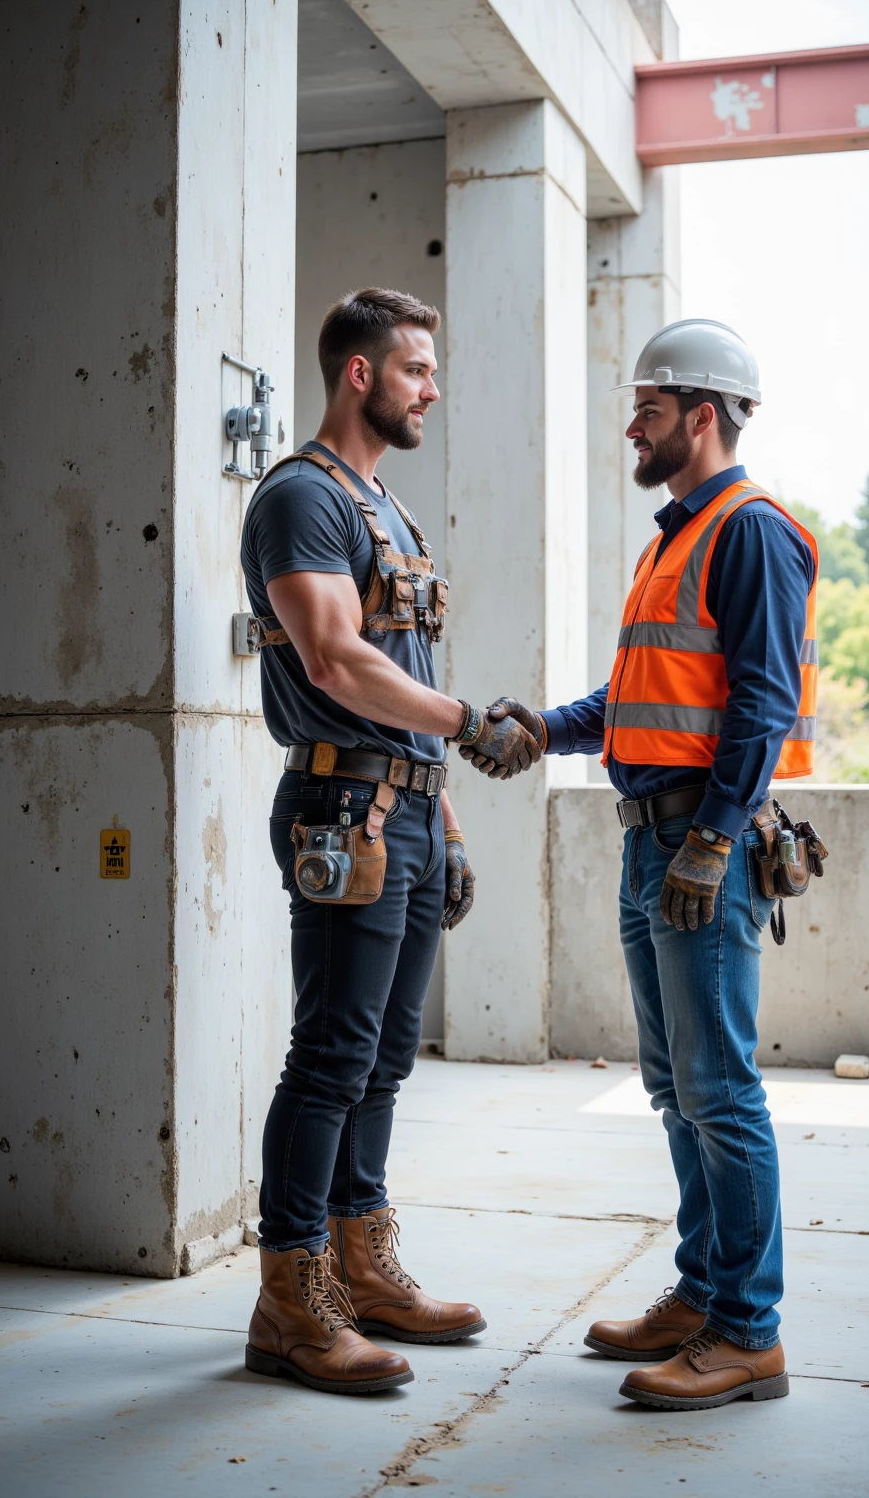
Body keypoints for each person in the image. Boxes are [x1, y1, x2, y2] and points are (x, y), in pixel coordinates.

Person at [463, 319, 818, 1412]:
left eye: (648, 410)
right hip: (650, 841)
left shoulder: (751, 532)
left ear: (701, 416)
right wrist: (545, 728)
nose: (633, 427)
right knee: (675, 1090)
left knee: (720, 1091)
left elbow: (762, 704)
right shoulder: (675, 539)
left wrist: (711, 841)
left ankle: (747, 1332)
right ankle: (704, 1292)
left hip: (700, 845)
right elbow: (637, 701)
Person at [239, 287, 540, 1395]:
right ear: (359, 374)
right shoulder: (300, 498)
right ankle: (289, 1299)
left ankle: (360, 1267)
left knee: (383, 1056)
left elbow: (399, 671)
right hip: (340, 809)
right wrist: (465, 724)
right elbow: (333, 660)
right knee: (329, 1054)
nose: (432, 390)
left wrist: (444, 815)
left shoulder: (388, 511)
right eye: (416, 370)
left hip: (405, 808)